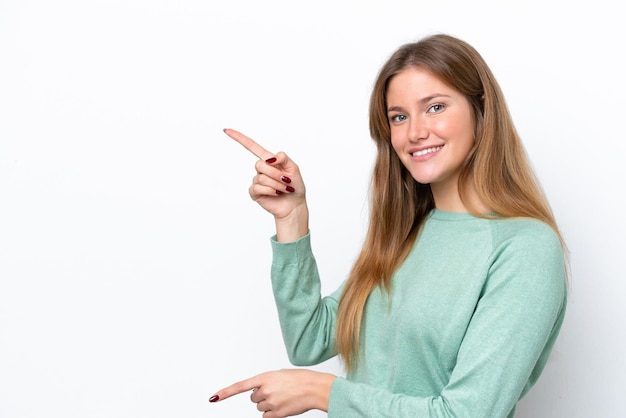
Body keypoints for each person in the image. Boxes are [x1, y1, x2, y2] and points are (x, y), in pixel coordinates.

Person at [209, 33, 568, 417]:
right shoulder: (405, 234)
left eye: (435, 107)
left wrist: (324, 393)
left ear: (482, 113)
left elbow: (467, 413)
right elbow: (308, 341)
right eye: (399, 116)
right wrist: (292, 216)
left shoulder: (525, 247)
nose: (414, 132)